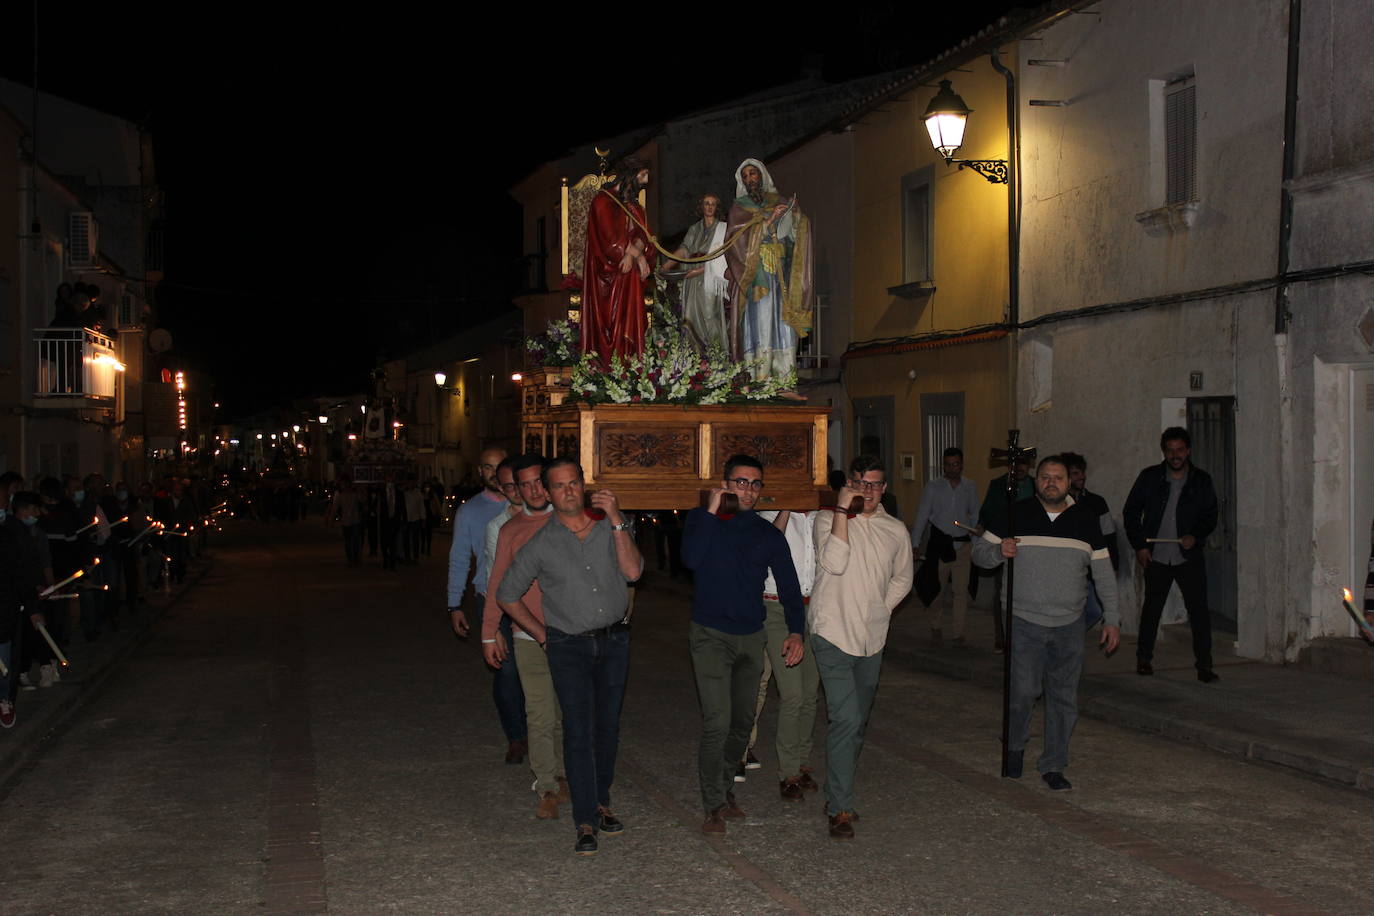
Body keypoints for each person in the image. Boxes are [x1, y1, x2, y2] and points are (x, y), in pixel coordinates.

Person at [495, 458, 642, 857]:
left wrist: (615, 520)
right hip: (569, 646)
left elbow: (633, 571)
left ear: (584, 484)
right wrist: (544, 636)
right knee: (578, 730)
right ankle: (584, 820)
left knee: (606, 727)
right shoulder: (541, 542)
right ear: (547, 491)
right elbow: (507, 594)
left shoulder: (610, 525)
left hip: (613, 642)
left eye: (574, 483)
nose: (569, 491)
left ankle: (601, 801)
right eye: (559, 486)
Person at [972, 456, 1122, 790]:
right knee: (1023, 691)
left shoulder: (1086, 519)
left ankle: (1054, 764)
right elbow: (980, 553)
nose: (1051, 482)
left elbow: (1103, 574)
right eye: (1044, 477)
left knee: (1064, 697)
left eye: (1058, 477)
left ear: (1070, 482)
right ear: (1035, 481)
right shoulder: (1015, 513)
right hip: (1024, 619)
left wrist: (1112, 618)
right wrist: (1000, 552)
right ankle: (1014, 747)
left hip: (1070, 623)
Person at [681, 455, 805, 834]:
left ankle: (724, 789)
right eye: (740, 482)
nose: (748, 490)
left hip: (751, 636)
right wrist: (710, 512)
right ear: (725, 484)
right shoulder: (702, 522)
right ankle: (713, 803)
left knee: (742, 721)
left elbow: (788, 585)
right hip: (710, 635)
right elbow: (690, 559)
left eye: (754, 484)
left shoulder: (767, 534)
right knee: (717, 720)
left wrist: (796, 631)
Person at [810, 455, 913, 840]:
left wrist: (881, 610)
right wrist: (841, 510)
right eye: (860, 483)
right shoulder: (827, 519)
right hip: (832, 631)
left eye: (874, 484)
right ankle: (840, 807)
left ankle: (837, 790)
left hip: (872, 637)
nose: (867, 491)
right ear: (849, 483)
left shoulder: (895, 529)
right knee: (846, 719)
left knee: (857, 723)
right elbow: (833, 564)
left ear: (884, 488)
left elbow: (903, 577)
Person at [482, 455, 570, 819]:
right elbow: (497, 585)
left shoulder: (569, 521)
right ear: (516, 489)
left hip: (571, 633)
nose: (534, 490)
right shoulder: (510, 530)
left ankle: (567, 774)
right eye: (525, 484)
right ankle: (547, 783)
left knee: (569, 710)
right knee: (539, 712)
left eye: (539, 482)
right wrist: (489, 633)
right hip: (527, 634)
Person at [447, 447, 528, 762]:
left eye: (500, 466)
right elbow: (459, 559)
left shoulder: (527, 503)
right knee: (506, 670)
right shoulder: (470, 511)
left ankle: (538, 729)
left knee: (532, 668)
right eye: (487, 467)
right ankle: (516, 736)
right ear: (479, 471)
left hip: (529, 599)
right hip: (489, 598)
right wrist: (454, 604)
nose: (495, 473)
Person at [1123, 427, 1220, 683]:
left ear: (1188, 451)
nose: (1175, 455)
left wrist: (1195, 536)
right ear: (1164, 452)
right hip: (1156, 556)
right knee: (1152, 609)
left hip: (1188, 558)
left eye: (1180, 450)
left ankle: (1205, 666)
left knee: (1198, 612)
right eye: (1170, 450)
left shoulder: (1201, 480)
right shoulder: (1150, 478)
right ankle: (1144, 658)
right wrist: (1140, 546)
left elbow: (1211, 516)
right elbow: (1131, 512)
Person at [724, 159, 813, 381]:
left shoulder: (779, 201)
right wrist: (768, 223)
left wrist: (795, 216)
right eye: (745, 176)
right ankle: (761, 378)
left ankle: (785, 379)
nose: (750, 179)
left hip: (781, 272)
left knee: (784, 324)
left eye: (753, 173)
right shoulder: (739, 208)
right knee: (762, 322)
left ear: (762, 175)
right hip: (757, 276)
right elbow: (735, 242)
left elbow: (795, 234)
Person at [754, 504, 820, 801]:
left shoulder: (822, 517)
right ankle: (788, 771)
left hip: (813, 607)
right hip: (776, 607)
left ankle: (802, 760)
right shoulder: (771, 513)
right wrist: (785, 507)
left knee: (809, 692)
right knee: (792, 693)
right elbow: (769, 543)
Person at [582, 157, 654, 367]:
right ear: (629, 175)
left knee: (631, 281)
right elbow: (610, 242)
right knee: (610, 321)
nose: (645, 181)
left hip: (629, 276)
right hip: (607, 277)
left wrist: (636, 254)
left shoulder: (636, 208)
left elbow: (645, 237)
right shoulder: (603, 201)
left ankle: (631, 364)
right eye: (642, 175)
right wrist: (636, 255)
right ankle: (610, 366)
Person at [911, 447, 980, 647]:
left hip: (963, 545)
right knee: (937, 588)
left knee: (960, 591)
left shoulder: (970, 486)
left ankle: (958, 632)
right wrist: (915, 543)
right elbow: (922, 516)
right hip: (940, 545)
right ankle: (936, 624)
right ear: (944, 465)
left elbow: (975, 514)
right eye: (948, 464)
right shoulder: (933, 487)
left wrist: (976, 544)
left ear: (962, 464)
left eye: (956, 464)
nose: (952, 468)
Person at [979, 457, 1033, 650]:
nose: (1019, 468)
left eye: (1023, 464)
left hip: (1029, 546)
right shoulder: (998, 485)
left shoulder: (1035, 486)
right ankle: (1001, 636)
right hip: (1002, 544)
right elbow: (987, 511)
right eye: (1015, 464)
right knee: (1002, 589)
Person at [1061, 452, 1120, 629]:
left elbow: (1109, 535)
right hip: (1066, 568)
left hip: (1092, 567)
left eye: (1082, 472)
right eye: (1075, 473)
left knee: (1094, 610)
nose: (1081, 477)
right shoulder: (1057, 503)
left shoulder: (1096, 502)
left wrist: (1114, 566)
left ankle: (1071, 636)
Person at [664, 193, 729, 352]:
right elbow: (684, 249)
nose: (709, 207)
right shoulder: (695, 229)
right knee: (690, 317)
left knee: (709, 316)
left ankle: (716, 356)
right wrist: (667, 266)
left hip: (709, 277)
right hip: (691, 278)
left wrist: (699, 271)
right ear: (701, 207)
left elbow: (721, 258)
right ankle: (695, 356)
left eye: (713, 204)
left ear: (717, 207)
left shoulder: (722, 229)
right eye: (706, 203)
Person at [329, 477, 364, 567]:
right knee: (348, 541)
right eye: (341, 484)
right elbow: (335, 508)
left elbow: (362, 500)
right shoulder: (340, 495)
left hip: (355, 520)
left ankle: (356, 558)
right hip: (346, 521)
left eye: (343, 484)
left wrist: (360, 490)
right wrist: (332, 519)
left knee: (355, 540)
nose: (342, 486)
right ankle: (350, 558)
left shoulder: (355, 494)